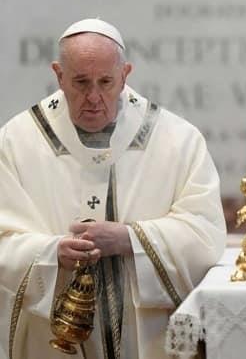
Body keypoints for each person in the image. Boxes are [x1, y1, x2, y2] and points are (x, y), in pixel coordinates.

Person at [0, 18, 226, 359]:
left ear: (125, 74)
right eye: (80, 82)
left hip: (144, 339)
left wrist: (128, 239)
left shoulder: (177, 141)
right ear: (59, 75)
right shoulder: (16, 142)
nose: (93, 97)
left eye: (106, 82)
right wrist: (52, 254)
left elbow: (205, 234)